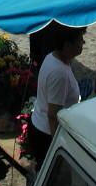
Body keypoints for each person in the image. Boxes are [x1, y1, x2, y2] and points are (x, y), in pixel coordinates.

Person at [29, 24, 86, 165]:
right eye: (79, 40)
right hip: (47, 134)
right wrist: (58, 147)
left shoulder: (52, 57)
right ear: (67, 45)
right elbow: (53, 115)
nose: (83, 43)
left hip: (40, 125)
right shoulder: (59, 73)